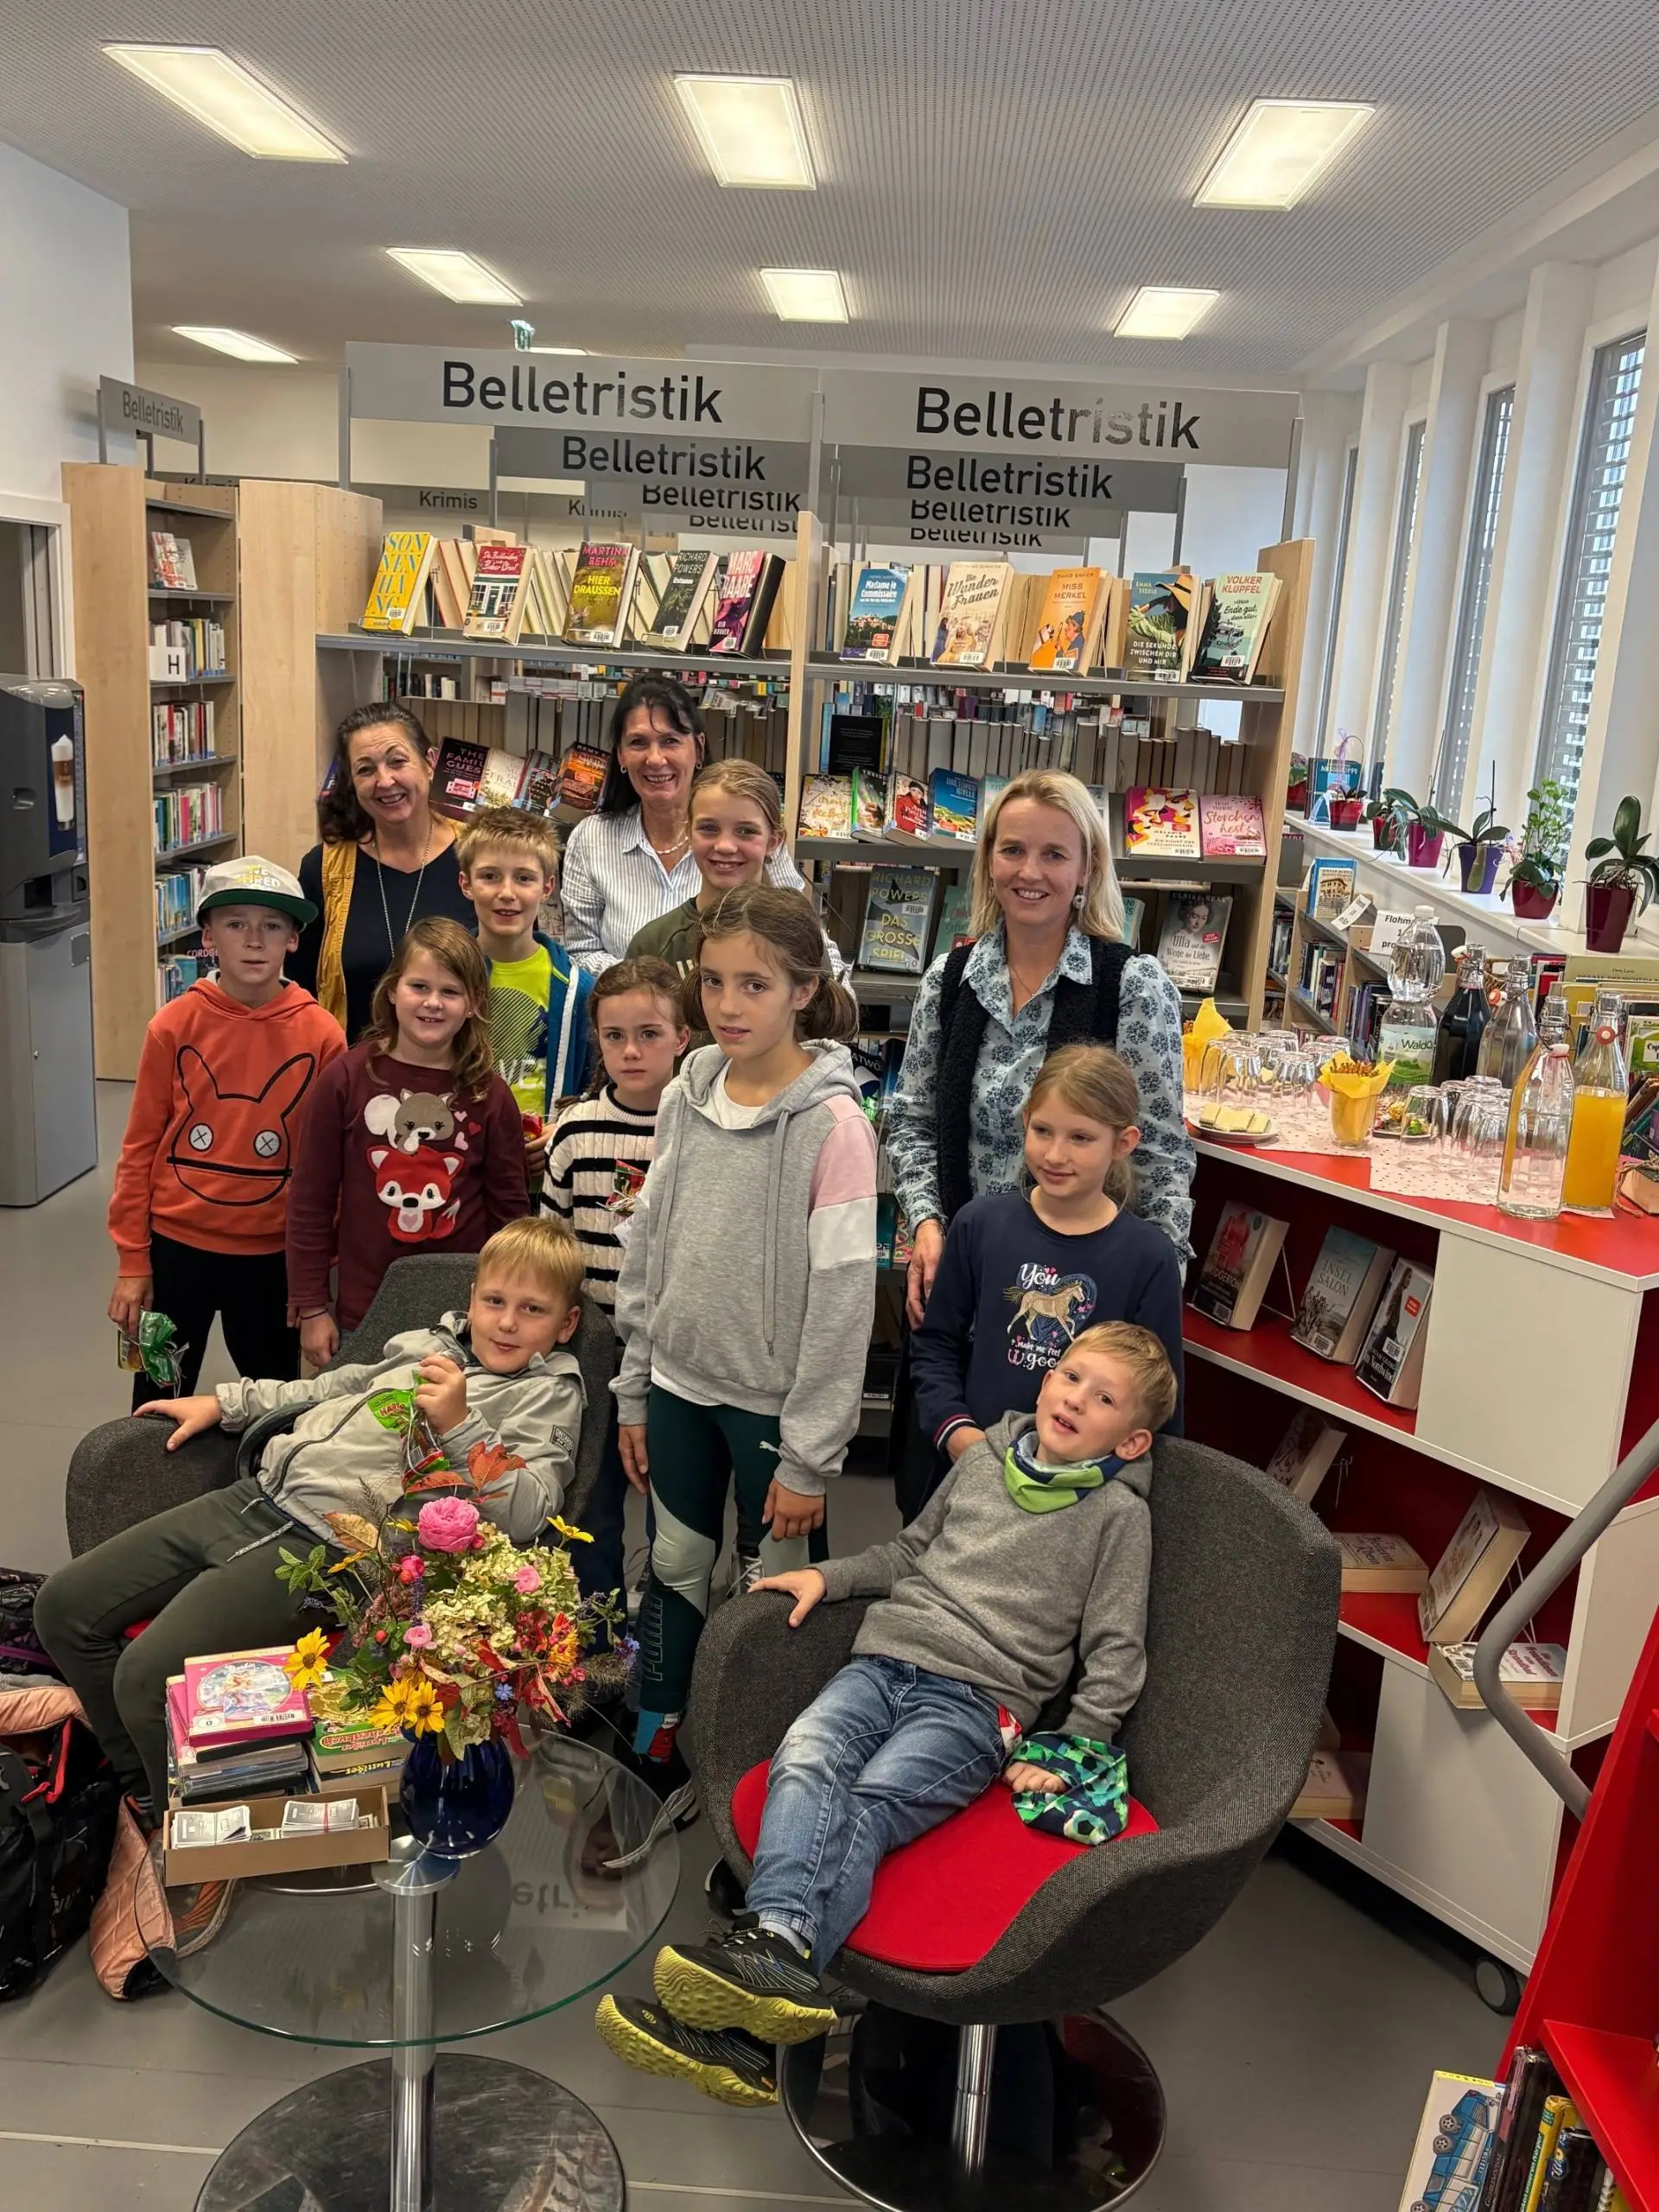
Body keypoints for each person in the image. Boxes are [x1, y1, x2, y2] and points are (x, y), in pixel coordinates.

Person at [594, 1320, 1179, 2109]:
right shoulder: (980, 1468)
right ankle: (765, 1989)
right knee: (805, 1757)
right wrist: (826, 1580)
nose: (1076, 1398)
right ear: (1044, 1382)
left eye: (1103, 1398)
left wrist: (1075, 1749)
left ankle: (758, 1993)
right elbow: (908, 1556)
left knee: (869, 1808)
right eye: (1071, 1377)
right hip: (882, 1660)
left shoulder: (1117, 1519)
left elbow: (1115, 1653)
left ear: (1132, 1442)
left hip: (979, 1704)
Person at [36, 1217, 586, 1823]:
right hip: (258, 1495)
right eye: (494, 1301)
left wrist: (462, 1427)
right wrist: (229, 1401)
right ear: (472, 1301)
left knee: (145, 1678)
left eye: (532, 1310)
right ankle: (144, 1791)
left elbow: (532, 1509)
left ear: (565, 1325)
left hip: (333, 1551)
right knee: (61, 1608)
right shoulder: (426, 1346)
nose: (507, 1322)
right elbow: (333, 1388)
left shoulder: (549, 1393)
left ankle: (179, 1830)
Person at [611, 885, 877, 1819]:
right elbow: (649, 1238)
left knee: (780, 1604)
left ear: (804, 988)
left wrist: (811, 1455)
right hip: (681, 1387)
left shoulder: (836, 1126)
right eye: (714, 982)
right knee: (676, 1569)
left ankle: (775, 1792)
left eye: (754, 984)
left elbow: (846, 1303)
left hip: (774, 1413)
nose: (728, 1005)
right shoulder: (689, 1093)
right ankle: (657, 1746)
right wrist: (636, 1388)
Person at [887, 771, 1192, 1324]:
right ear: (989, 861)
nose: (1030, 872)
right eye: (1013, 850)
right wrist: (927, 1225)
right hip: (964, 1280)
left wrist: (1153, 1294)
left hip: (1088, 1291)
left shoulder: (1132, 987)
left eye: (1054, 854)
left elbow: (1161, 1157)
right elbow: (913, 1124)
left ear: (1087, 869)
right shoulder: (948, 982)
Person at [106, 856, 346, 1406]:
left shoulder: (322, 1034)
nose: (254, 941)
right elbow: (140, 1146)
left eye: (272, 925)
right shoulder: (172, 1025)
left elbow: (325, 1165)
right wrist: (131, 1262)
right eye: (236, 924)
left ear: (294, 939)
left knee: (276, 1404)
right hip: (173, 1254)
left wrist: (314, 1281)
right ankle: (152, 1491)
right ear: (209, 936)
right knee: (155, 1392)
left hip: (271, 1260)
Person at [912, 1045, 1185, 1484]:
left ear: (1123, 1143)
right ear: (1024, 1123)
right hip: (972, 1468)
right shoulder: (978, 1224)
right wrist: (957, 1432)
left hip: (1084, 1491)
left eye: (1081, 1138)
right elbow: (935, 1344)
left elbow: (1159, 1403)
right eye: (1043, 1130)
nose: (1055, 1155)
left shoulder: (1148, 1257)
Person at [285, 916, 530, 1366]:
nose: (433, 1003)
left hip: (460, 1319)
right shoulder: (345, 1078)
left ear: (474, 1002)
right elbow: (310, 1200)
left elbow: (509, 1219)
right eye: (420, 986)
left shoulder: (490, 1096)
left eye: (451, 992)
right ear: (393, 989)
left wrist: (504, 1310)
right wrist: (312, 1305)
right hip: (361, 1312)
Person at [542, 956, 689, 1615]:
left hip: (671, 1355)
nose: (631, 1051)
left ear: (684, 1037)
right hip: (591, 1349)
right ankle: (594, 1658)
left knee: (673, 1522)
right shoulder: (573, 1133)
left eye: (650, 1034)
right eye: (614, 1036)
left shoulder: (696, 1128)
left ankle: (662, 1659)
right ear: (596, 1040)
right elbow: (551, 1250)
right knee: (588, 1509)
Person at [559, 677, 817, 973]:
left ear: (698, 746)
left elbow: (806, 939)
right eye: (638, 742)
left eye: (671, 741)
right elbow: (581, 952)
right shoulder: (592, 838)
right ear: (620, 754)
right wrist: (655, 986)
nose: (655, 759)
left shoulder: (751, 843)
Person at [290, 703, 476, 1042]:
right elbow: (299, 989)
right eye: (365, 770)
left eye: (397, 761)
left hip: (463, 1077)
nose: (385, 781)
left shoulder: (479, 857)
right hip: (353, 1078)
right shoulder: (324, 870)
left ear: (430, 763)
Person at [626, 757, 849, 1019]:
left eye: (745, 831)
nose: (725, 846)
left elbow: (816, 1040)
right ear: (688, 833)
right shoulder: (654, 944)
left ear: (773, 841)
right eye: (709, 828)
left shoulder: (799, 936)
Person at [455, 804, 595, 1192]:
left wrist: (562, 1128)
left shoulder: (577, 989)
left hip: (541, 1181)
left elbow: (595, 1087)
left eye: (523, 878)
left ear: (548, 887)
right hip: (457, 1174)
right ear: (466, 884)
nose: (506, 893)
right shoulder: (442, 978)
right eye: (489, 877)